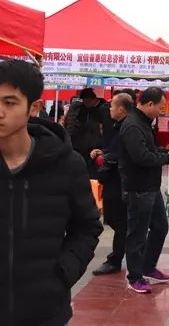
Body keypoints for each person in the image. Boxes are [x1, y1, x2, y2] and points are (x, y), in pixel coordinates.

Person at [0, 60, 103, 326]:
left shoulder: (66, 165)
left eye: (9, 103)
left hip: (45, 312)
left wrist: (62, 274)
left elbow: (88, 227)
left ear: (34, 107)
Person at [119, 86, 169, 294]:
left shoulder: (144, 123)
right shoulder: (133, 125)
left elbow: (148, 149)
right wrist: (167, 158)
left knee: (160, 227)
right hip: (138, 188)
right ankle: (134, 276)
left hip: (150, 187)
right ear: (149, 104)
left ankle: (148, 266)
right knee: (137, 234)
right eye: (160, 107)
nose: (161, 111)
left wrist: (164, 151)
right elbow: (141, 157)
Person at [92, 91, 135, 275]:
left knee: (120, 220)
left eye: (112, 106)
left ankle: (117, 258)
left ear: (121, 109)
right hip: (114, 180)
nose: (109, 109)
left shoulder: (129, 127)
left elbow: (125, 155)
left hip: (121, 181)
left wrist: (106, 157)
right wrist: (102, 152)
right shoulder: (120, 125)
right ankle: (121, 254)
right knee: (117, 219)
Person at [65, 86, 114, 173]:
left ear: (91, 99)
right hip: (84, 146)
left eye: (86, 101)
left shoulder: (104, 109)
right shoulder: (82, 109)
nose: (84, 103)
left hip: (98, 146)